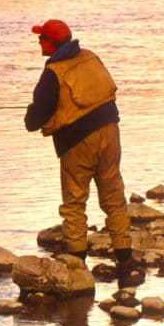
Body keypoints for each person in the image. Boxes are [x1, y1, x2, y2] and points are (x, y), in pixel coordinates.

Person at [24, 19, 143, 289]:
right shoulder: (90, 57)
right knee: (114, 197)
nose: (39, 43)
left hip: (78, 141)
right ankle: (125, 263)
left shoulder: (53, 72)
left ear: (52, 43)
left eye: (42, 38)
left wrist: (29, 117)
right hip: (111, 132)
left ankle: (78, 270)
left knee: (75, 203)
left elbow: (35, 119)